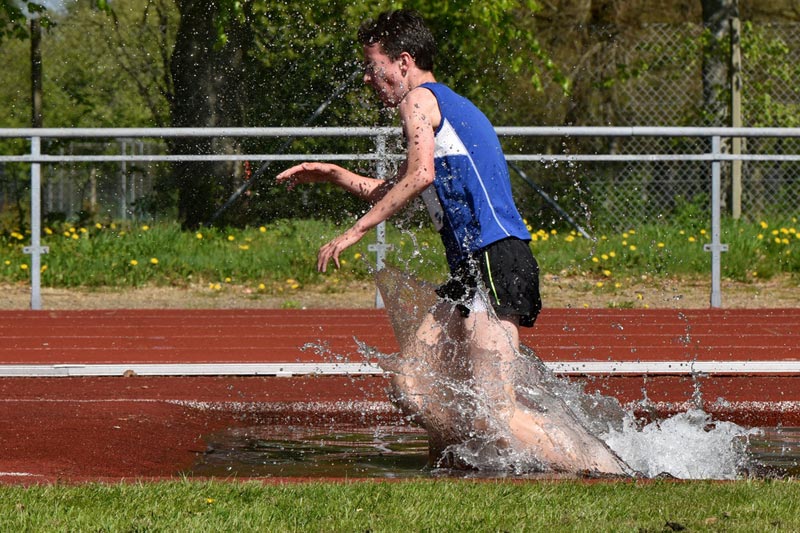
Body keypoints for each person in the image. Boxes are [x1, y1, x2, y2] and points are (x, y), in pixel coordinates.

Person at [277, 10, 629, 475]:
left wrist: (356, 231)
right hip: (472, 272)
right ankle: (461, 464)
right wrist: (336, 175)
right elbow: (408, 183)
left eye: (374, 66)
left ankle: (620, 476)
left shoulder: (418, 100)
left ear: (403, 62)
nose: (368, 78)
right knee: (410, 384)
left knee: (496, 408)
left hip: (494, 259)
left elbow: (419, 176)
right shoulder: (440, 106)